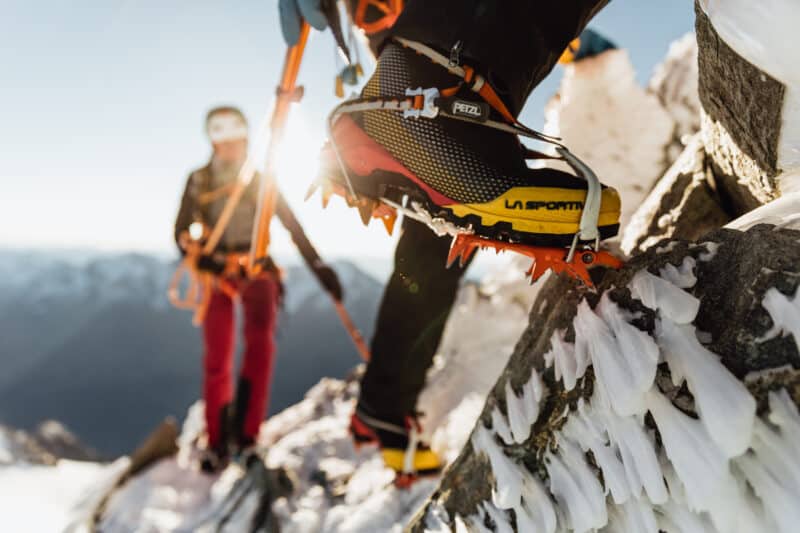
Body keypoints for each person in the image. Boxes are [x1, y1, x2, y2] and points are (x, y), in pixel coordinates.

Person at [278, 0, 621, 485]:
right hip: (442, 62)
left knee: (432, 240)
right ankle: (429, 101)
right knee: (438, 221)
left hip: (426, 61)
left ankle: (383, 404)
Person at [174, 106, 342, 473]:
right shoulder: (199, 181)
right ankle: (218, 440)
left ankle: (246, 436)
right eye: (225, 142)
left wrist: (318, 266)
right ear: (215, 143)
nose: (231, 149)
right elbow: (181, 231)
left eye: (236, 141)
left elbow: (291, 225)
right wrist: (203, 259)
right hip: (219, 274)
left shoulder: (260, 180)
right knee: (218, 357)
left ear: (245, 140)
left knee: (259, 346)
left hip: (256, 271)